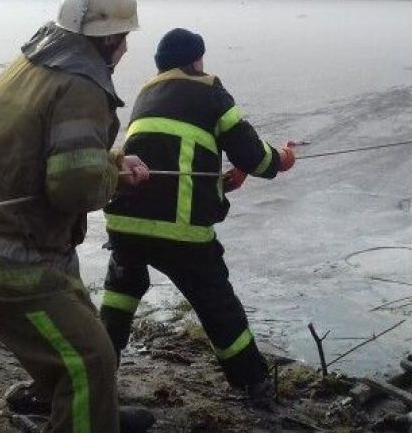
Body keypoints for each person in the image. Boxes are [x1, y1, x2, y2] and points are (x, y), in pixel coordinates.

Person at [0, 0, 151, 433]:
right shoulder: (81, 87)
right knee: (89, 358)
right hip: (10, 261)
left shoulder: (32, 64)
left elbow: (46, 159)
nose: (126, 50)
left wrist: (110, 161)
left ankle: (92, 412)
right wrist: (116, 177)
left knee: (81, 324)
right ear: (107, 39)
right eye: (123, 39)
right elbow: (72, 188)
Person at [100, 28, 297, 405]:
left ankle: (101, 366)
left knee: (121, 292)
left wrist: (219, 183)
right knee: (216, 303)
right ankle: (254, 385)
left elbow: (168, 155)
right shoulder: (210, 90)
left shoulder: (146, 92)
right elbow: (254, 157)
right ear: (195, 62)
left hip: (126, 219)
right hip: (181, 229)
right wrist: (285, 160)